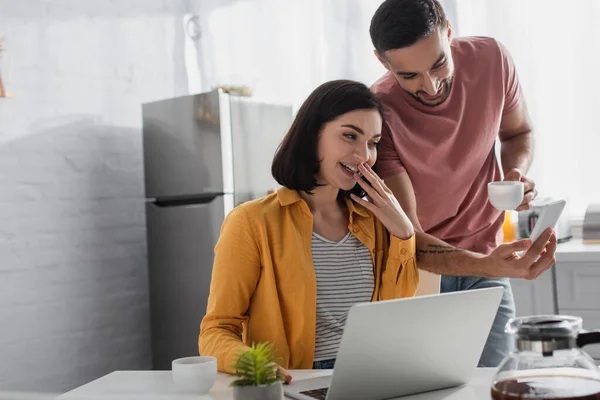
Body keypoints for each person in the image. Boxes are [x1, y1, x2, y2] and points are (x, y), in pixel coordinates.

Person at [368, 0, 557, 367]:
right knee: (427, 389)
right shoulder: (378, 111)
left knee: (495, 384)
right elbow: (411, 238)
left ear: (448, 33)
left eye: (438, 63)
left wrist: (514, 172)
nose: (431, 85)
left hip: (486, 258)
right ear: (383, 62)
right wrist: (492, 265)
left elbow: (518, 132)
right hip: (419, 273)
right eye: (410, 76)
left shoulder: (492, 60)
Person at [199, 80, 423, 381]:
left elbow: (397, 317)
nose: (363, 155)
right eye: (349, 136)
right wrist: (253, 363)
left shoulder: (376, 224)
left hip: (369, 377)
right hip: (296, 382)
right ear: (312, 135)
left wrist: (404, 233)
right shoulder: (251, 222)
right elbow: (216, 330)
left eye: (372, 142)